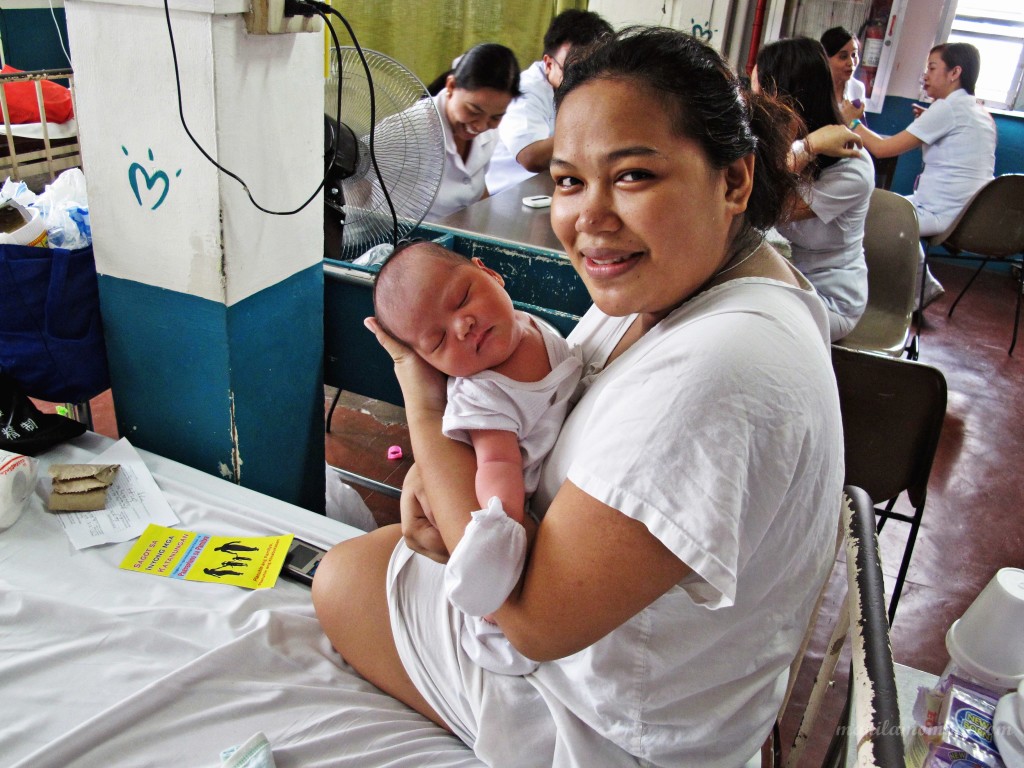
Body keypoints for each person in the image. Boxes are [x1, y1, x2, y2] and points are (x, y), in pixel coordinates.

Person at [313, 27, 847, 766]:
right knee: (368, 561)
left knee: (340, 580)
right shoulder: (671, 283)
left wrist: (426, 408)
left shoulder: (720, 368)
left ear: (734, 180)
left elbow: (533, 623)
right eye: (568, 181)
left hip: (608, 728)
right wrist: (436, 472)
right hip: (616, 659)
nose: (588, 218)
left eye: (632, 176)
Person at [371, 241, 582, 675]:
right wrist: (501, 525)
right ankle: (491, 593)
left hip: (564, 513)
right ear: (429, 363)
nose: (463, 325)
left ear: (490, 273)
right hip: (512, 515)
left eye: (463, 298)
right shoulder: (482, 393)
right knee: (495, 601)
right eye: (438, 339)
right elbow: (497, 464)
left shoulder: (528, 327)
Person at [849, 42, 997, 306]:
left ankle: (880, 298)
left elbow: (883, 149)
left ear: (955, 73)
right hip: (975, 214)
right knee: (897, 208)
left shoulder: (947, 109)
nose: (925, 75)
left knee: (869, 211)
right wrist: (930, 118)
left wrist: (851, 121)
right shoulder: (980, 113)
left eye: (932, 67)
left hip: (944, 213)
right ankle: (923, 286)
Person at [754, 37, 873, 341]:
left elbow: (762, 205)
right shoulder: (791, 149)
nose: (751, 107)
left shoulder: (852, 166)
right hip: (794, 277)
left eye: (758, 97)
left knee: (744, 320)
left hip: (831, 300)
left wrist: (808, 145)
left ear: (787, 103)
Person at [484, 9, 613, 196]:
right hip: (509, 197)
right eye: (574, 70)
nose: (584, 79)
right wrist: (593, 129)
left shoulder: (591, 87)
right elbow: (531, 157)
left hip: (549, 190)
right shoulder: (525, 91)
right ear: (549, 63)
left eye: (594, 69)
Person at [424, 43, 521, 222]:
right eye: (473, 111)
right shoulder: (408, 133)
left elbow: (478, 189)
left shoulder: (490, 134)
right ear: (451, 86)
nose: (481, 126)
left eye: (496, 117)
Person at [820, 26, 866, 122]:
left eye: (854, 55)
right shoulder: (813, 87)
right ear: (825, 58)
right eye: (843, 56)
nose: (851, 62)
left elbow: (859, 128)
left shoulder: (857, 88)